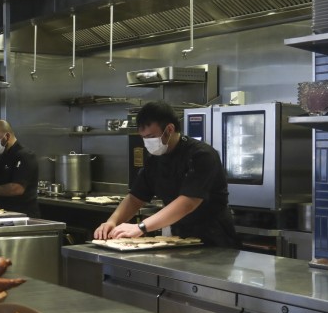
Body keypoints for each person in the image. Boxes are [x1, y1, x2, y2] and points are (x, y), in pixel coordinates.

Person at [94, 101, 238, 247]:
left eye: (151, 137)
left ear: (169, 129)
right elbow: (135, 198)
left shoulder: (202, 155)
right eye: (144, 138)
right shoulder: (155, 160)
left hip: (214, 239)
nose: (147, 142)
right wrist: (112, 221)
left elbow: (188, 203)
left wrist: (141, 227)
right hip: (180, 237)